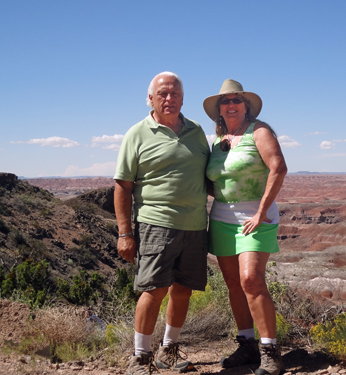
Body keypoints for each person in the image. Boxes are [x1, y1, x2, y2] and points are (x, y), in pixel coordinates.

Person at [114, 72, 209, 375]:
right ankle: (139, 357)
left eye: (175, 94)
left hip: (195, 225)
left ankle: (168, 351)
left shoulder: (196, 132)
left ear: (183, 98)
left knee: (182, 289)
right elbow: (122, 186)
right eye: (163, 93)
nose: (170, 99)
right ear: (151, 98)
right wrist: (125, 233)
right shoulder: (137, 133)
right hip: (155, 223)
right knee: (154, 289)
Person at [203, 79, 288, 375]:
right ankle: (247, 344)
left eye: (236, 100)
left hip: (257, 218)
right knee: (234, 285)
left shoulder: (259, 132)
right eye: (225, 101)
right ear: (219, 110)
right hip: (223, 219)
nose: (230, 105)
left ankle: (270, 351)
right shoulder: (218, 141)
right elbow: (214, 181)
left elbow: (278, 167)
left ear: (246, 106)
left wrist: (261, 210)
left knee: (251, 279)